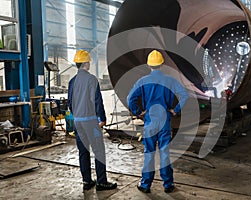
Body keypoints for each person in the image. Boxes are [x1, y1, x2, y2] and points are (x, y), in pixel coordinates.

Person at [127, 50, 188, 193]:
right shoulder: (170, 80)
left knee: (149, 153)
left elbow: (130, 99)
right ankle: (168, 184)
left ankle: (145, 185)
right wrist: (175, 110)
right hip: (165, 121)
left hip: (150, 122)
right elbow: (184, 95)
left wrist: (139, 112)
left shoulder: (142, 81)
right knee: (164, 153)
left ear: (149, 65)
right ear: (162, 64)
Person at [68, 49, 117, 191]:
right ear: (85, 63)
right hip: (91, 122)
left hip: (78, 122)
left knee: (83, 151)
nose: (89, 63)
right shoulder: (91, 79)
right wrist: (102, 118)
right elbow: (97, 100)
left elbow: (70, 102)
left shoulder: (72, 81)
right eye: (88, 61)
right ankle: (101, 182)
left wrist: (76, 115)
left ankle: (87, 181)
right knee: (99, 150)